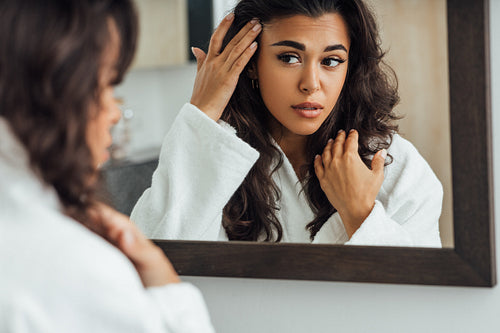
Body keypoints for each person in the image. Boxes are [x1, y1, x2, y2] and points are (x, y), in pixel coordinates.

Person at [131, 0, 443, 247]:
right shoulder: (214, 157)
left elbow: (424, 302)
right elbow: (157, 271)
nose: (311, 84)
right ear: (252, 64)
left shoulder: (395, 166)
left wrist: (360, 214)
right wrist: (202, 113)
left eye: (331, 61)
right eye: (289, 57)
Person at [0, 0, 214, 332]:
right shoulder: (78, 269)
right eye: (109, 85)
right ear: (56, 86)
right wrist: (169, 290)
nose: (114, 112)